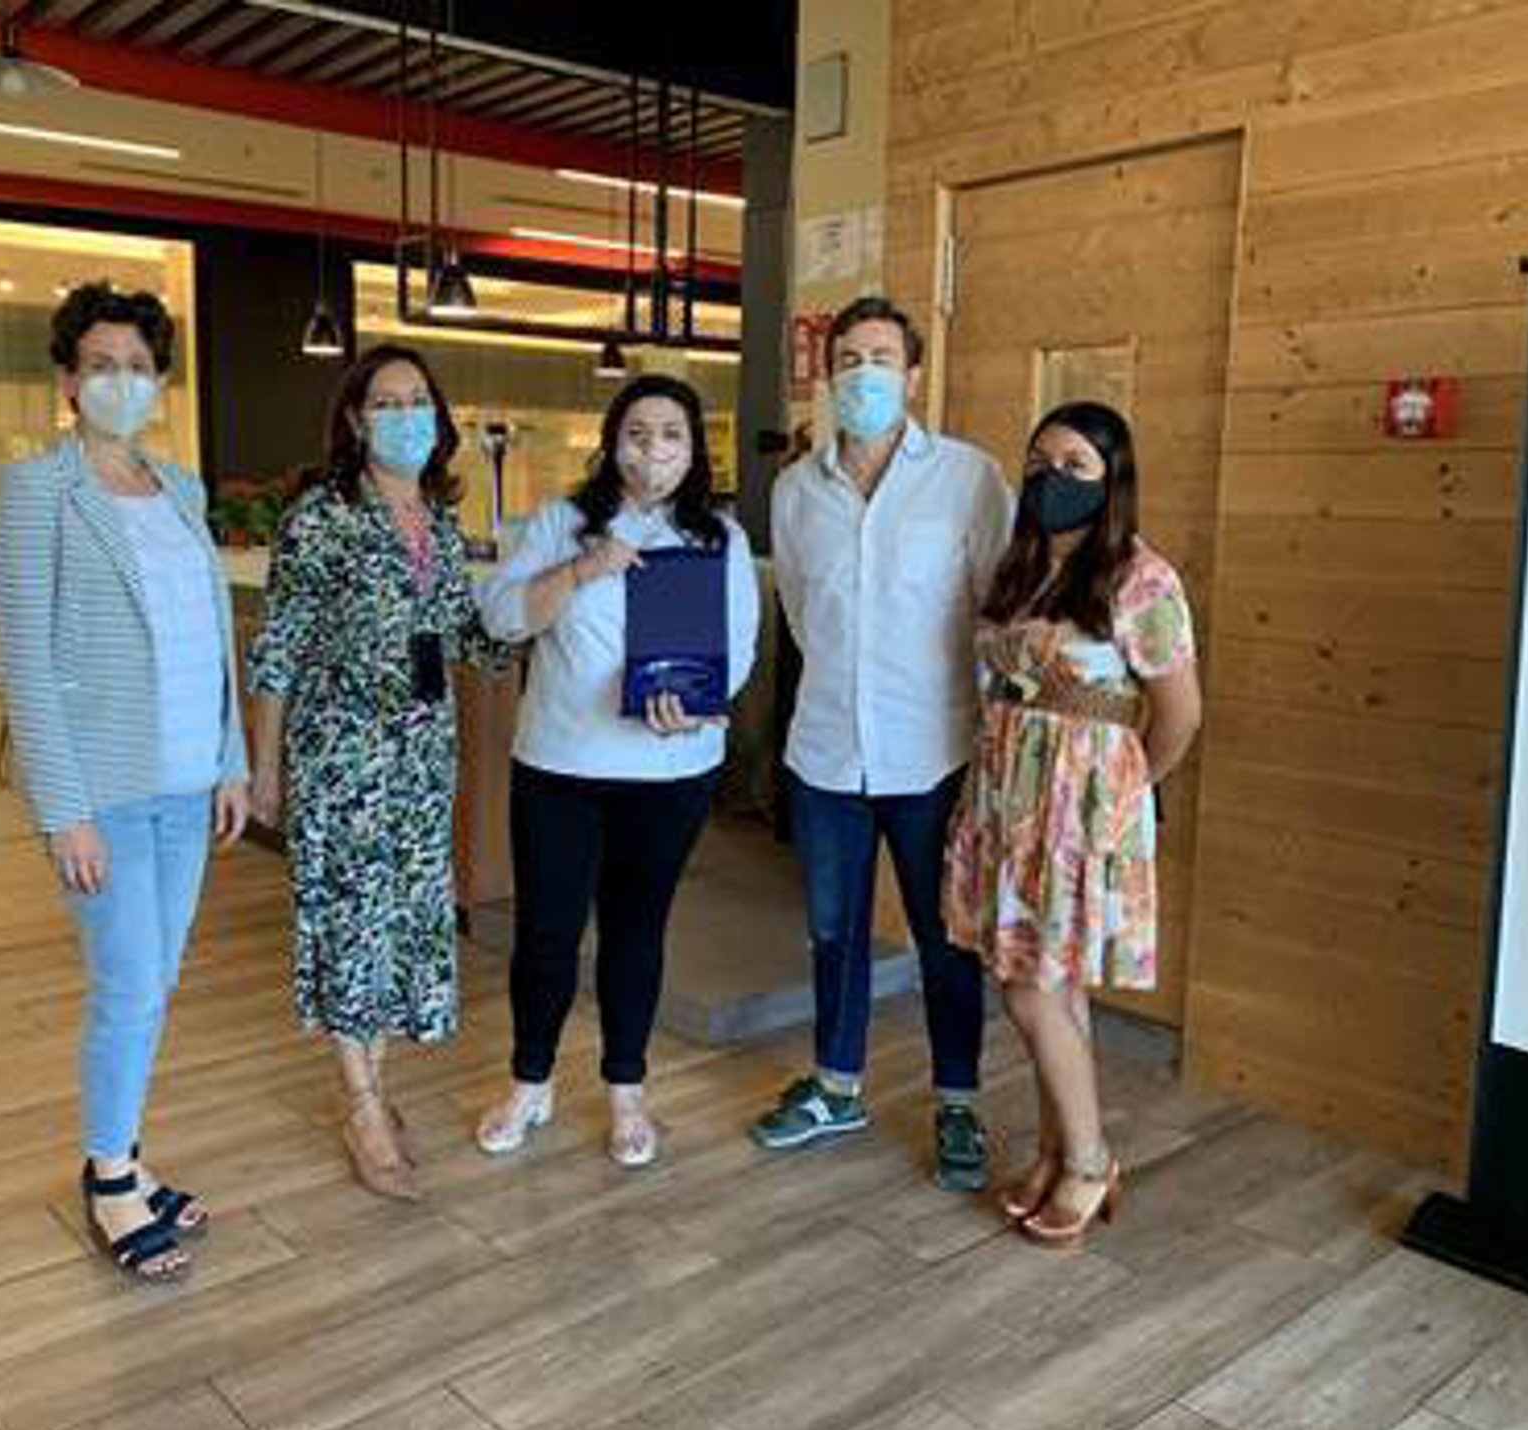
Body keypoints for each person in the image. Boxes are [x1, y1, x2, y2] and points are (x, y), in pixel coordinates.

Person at [0, 281, 250, 1283]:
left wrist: (231, 760)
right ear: (68, 379)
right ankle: (108, 1180)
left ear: (160, 380)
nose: (120, 381)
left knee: (154, 982)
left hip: (189, 782)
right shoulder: (36, 490)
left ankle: (127, 1157)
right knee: (128, 985)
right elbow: (25, 662)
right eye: (101, 365)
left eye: (138, 366)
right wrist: (65, 814)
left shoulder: (180, 488)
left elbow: (209, 636)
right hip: (106, 794)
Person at [752, 295, 1014, 1192]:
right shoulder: (796, 490)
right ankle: (836, 1085)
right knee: (833, 930)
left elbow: (998, 611)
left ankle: (958, 1100)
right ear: (828, 378)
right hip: (826, 748)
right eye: (848, 360)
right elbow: (800, 611)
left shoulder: (969, 479)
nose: (862, 374)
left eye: (881, 359)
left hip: (933, 750)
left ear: (913, 376)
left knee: (946, 938)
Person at [246, 344, 512, 1201]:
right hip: (344, 755)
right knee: (350, 923)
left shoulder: (438, 521)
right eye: (387, 403)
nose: (406, 416)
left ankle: (373, 1082)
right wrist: (265, 768)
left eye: (418, 400)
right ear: (357, 421)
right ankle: (360, 1103)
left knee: (398, 922)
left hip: (424, 759)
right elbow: (277, 647)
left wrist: (554, 598)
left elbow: (464, 635)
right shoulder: (321, 517)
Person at [473, 375, 759, 1167]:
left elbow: (738, 647)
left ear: (694, 450)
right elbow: (499, 618)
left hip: (671, 771)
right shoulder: (563, 522)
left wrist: (698, 707)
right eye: (637, 434)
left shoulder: (720, 538)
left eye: (671, 435)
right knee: (547, 933)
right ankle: (530, 1083)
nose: (652, 451)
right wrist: (581, 570)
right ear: (611, 443)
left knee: (637, 932)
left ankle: (627, 1091)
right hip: (560, 765)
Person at [943, 401, 1202, 1245]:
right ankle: (1057, 1152)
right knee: (1055, 988)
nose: (1051, 478)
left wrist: (1124, 797)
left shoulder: (1140, 578)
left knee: (1028, 985)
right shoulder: (1020, 567)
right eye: (1039, 461)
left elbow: (1180, 714)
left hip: (1080, 816)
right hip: (1006, 801)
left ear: (1111, 480)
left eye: (1074, 465)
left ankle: (1091, 1161)